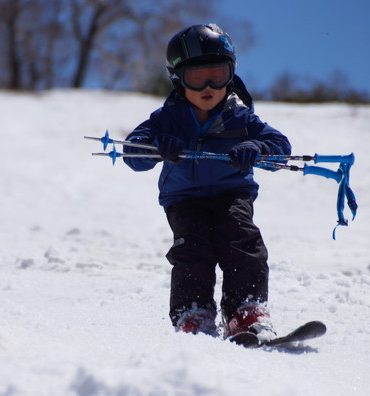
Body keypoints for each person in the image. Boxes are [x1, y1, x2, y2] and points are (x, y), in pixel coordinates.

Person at [123, 24, 291, 339]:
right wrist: (159, 146)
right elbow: (133, 153)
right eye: (197, 78)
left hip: (233, 194)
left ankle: (246, 311)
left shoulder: (241, 118)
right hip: (184, 199)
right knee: (193, 250)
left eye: (218, 74)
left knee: (242, 240)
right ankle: (193, 313)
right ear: (177, 79)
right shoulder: (166, 119)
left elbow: (280, 148)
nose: (209, 86)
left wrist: (257, 148)